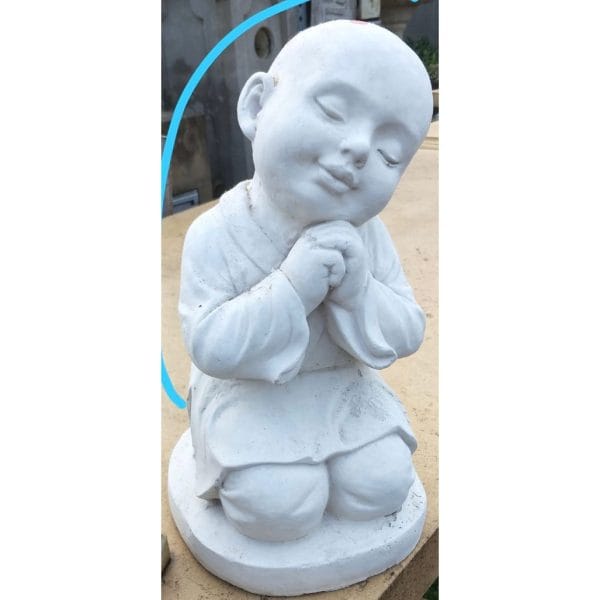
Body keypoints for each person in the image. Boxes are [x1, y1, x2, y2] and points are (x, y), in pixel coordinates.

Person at [178, 19, 433, 543]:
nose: (360, 149)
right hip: (249, 397)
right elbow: (209, 342)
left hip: (340, 391)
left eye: (390, 155)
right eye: (334, 111)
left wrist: (360, 290)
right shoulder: (216, 233)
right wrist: (291, 290)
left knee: (382, 484)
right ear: (256, 106)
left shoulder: (368, 237)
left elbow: (408, 328)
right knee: (278, 507)